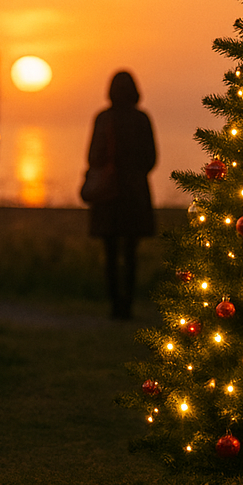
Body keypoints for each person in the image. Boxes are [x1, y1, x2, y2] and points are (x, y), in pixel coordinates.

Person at [85, 71, 157, 320]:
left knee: (111, 254)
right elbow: (152, 158)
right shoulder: (142, 119)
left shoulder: (104, 118)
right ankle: (128, 306)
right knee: (131, 254)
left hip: (108, 195)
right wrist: (134, 173)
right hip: (135, 195)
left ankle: (115, 306)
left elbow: (92, 157)